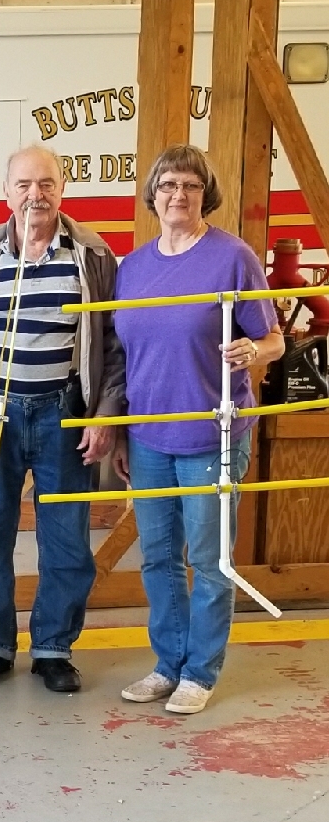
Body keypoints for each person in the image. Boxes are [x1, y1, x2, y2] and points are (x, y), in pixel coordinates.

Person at [0, 146, 124, 693]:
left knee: (66, 539)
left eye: (46, 184)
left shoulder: (92, 256)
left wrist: (105, 416)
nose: (34, 195)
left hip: (63, 414)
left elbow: (115, 346)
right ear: (6, 192)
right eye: (23, 185)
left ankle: (53, 648)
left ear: (62, 189)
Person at [113, 145, 283, 715]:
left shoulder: (233, 257)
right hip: (148, 436)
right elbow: (124, 355)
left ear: (205, 194)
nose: (177, 195)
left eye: (189, 185)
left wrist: (252, 350)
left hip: (213, 435)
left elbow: (274, 339)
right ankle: (168, 665)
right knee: (158, 559)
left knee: (210, 561)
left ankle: (200, 672)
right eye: (167, 185)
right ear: (152, 194)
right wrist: (122, 430)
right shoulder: (132, 268)